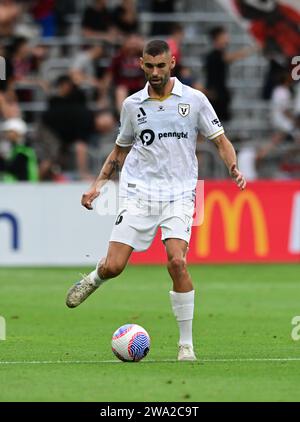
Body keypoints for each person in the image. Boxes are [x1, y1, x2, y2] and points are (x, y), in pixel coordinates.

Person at [65, 40, 246, 361]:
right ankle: (95, 277)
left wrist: (232, 165)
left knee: (177, 261)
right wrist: (97, 186)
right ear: (141, 64)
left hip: (180, 194)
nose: (155, 72)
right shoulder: (133, 105)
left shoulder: (194, 100)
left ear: (172, 63)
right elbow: (120, 150)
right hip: (139, 194)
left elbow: (221, 140)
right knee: (114, 266)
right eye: (149, 66)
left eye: (161, 66)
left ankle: (186, 344)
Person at [205, 26, 257, 122]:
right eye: (224, 36)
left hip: (220, 94)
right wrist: (252, 49)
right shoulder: (214, 56)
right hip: (215, 95)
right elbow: (230, 57)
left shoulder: (216, 55)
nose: (227, 38)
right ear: (218, 37)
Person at [0, 117, 38, 181]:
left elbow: (13, 169)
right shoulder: (16, 148)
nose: (7, 134)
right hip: (19, 187)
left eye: (9, 131)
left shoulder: (25, 150)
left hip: (25, 188)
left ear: (18, 132)